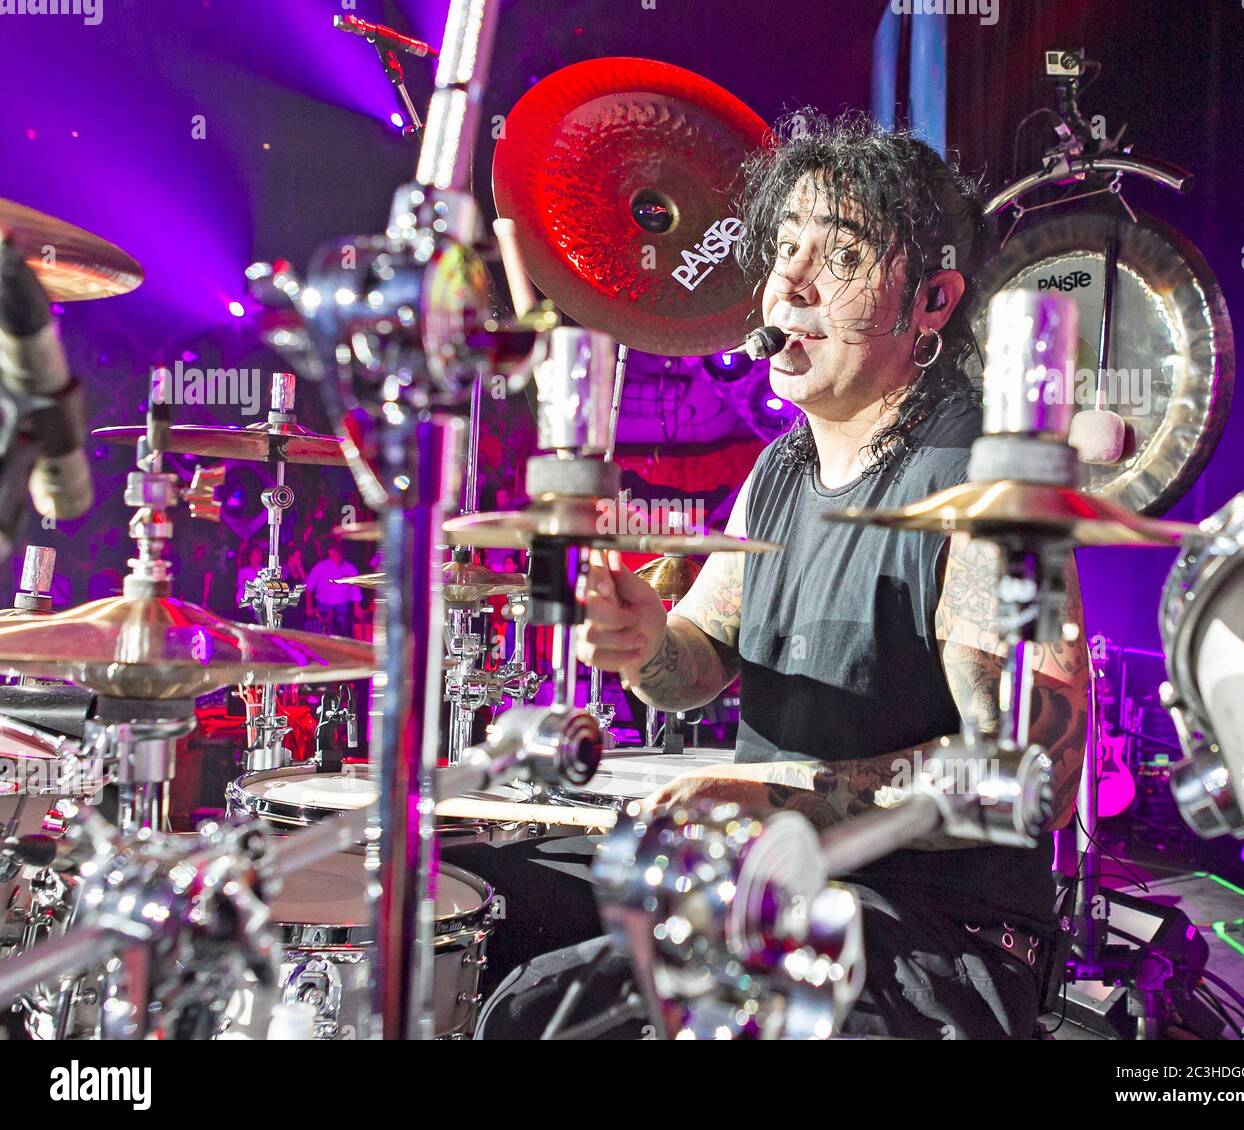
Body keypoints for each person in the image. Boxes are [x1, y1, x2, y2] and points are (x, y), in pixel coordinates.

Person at [463, 112, 1089, 1040]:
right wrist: (643, 642)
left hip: (925, 931)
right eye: (783, 247)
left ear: (932, 301)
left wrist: (781, 793)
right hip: (759, 887)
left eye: (837, 257)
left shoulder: (980, 482)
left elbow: (1033, 772)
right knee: (488, 919)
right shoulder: (780, 472)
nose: (786, 282)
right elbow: (696, 665)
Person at [303, 541, 361, 636]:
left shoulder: (350, 568)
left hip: (342, 607)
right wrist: (309, 606)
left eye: (339, 552)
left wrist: (357, 606)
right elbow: (309, 587)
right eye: (335, 552)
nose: (337, 555)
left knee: (341, 635)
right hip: (323, 607)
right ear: (330, 552)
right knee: (323, 635)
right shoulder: (320, 567)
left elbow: (355, 590)